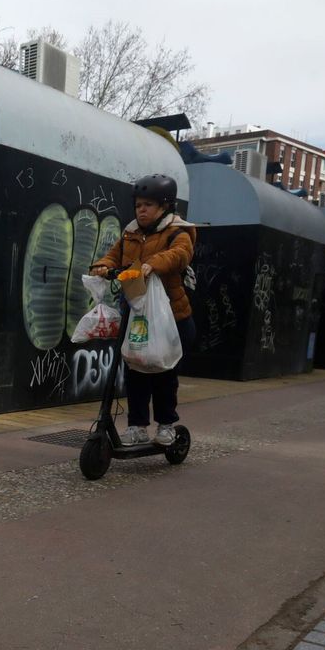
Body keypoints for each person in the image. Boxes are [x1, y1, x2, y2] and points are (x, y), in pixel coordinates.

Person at [88, 174, 197, 447]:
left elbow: (180, 254)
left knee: (163, 373)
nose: (142, 210)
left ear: (165, 207)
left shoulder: (178, 231)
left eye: (148, 205)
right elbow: (114, 254)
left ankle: (166, 426)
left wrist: (153, 264)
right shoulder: (131, 232)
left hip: (171, 318)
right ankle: (136, 426)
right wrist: (102, 265)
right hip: (137, 315)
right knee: (135, 372)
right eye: (138, 205)